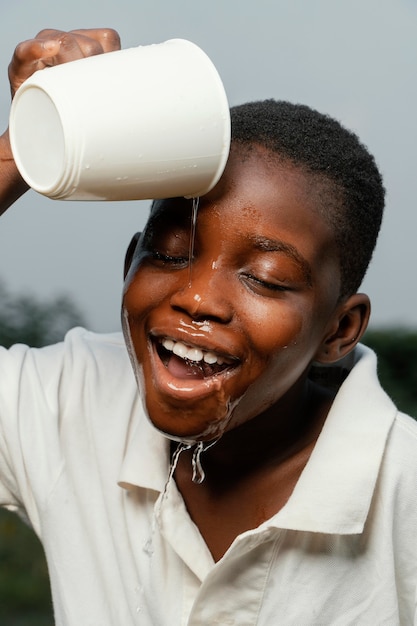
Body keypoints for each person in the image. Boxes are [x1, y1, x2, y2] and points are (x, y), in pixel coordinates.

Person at [1, 28, 417, 626]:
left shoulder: (400, 497)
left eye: (267, 280)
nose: (197, 298)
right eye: (169, 254)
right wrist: (26, 146)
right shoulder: (70, 402)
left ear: (339, 330)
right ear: (129, 266)